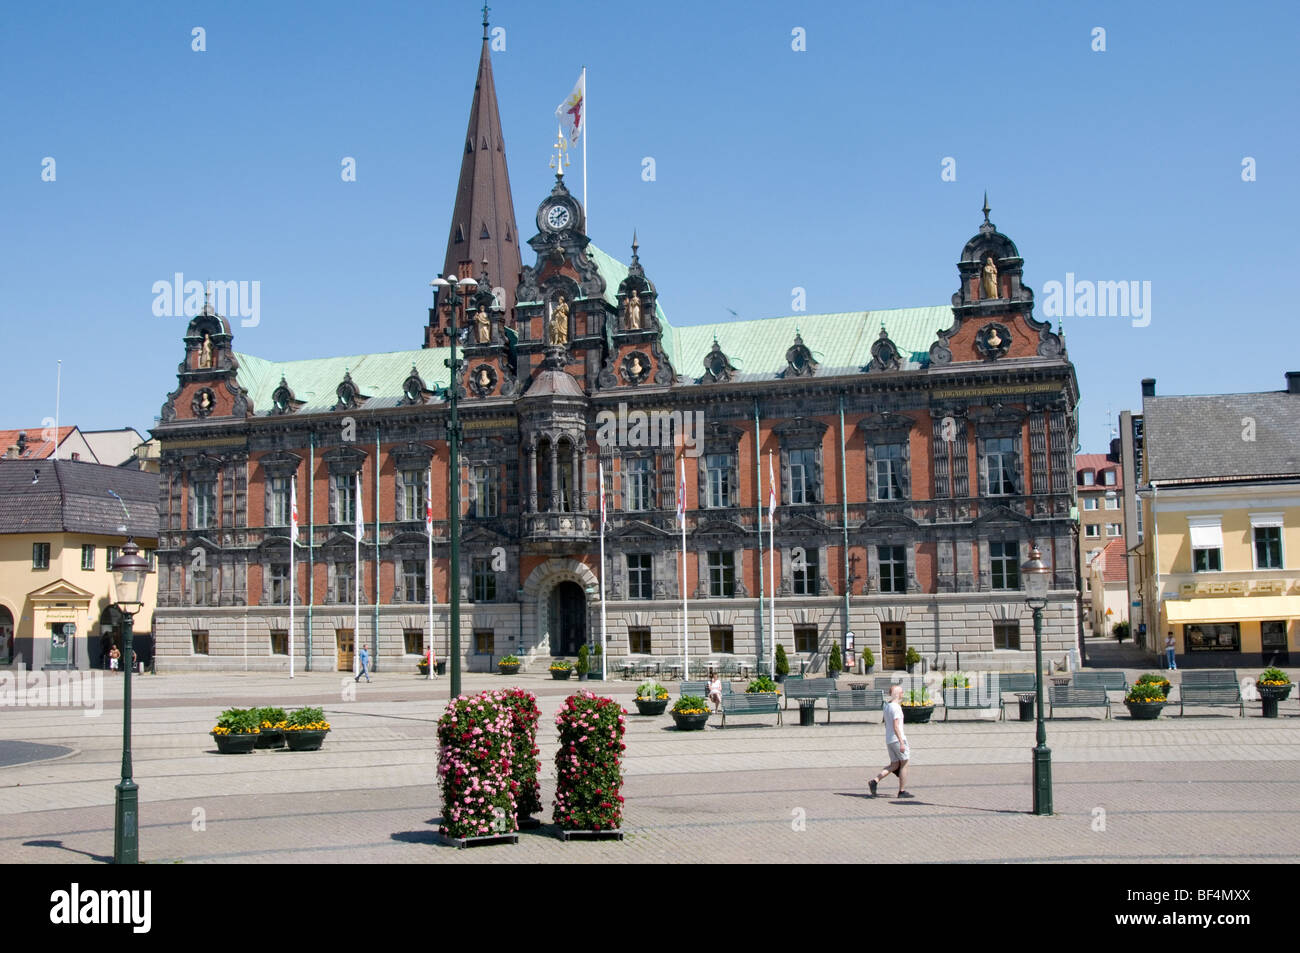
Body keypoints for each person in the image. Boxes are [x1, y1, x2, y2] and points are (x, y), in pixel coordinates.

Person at [868, 684, 914, 799]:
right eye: (902, 692)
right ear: (898, 694)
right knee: (904, 763)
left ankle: (875, 780)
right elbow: (896, 726)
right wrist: (901, 742)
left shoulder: (887, 706)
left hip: (889, 740)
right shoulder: (896, 708)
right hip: (897, 739)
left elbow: (886, 723)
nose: (903, 694)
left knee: (894, 764)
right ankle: (902, 791)